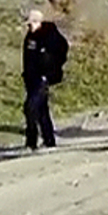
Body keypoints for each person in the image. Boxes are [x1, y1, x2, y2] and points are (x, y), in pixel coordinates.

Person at [21, 9, 68, 151]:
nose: (29, 27)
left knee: (30, 108)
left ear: (38, 22)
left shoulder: (50, 35)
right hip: (31, 78)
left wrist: (51, 71)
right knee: (42, 109)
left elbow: (62, 50)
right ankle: (49, 140)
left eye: (30, 24)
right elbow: (27, 58)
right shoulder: (30, 37)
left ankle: (31, 142)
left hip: (43, 78)